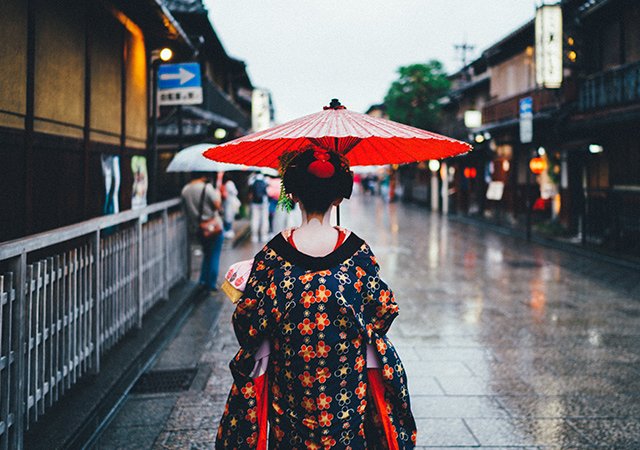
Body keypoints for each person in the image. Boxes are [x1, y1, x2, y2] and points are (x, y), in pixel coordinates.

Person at [215, 146, 417, 450]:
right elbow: (384, 311)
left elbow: (246, 324)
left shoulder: (273, 255)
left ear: (292, 194)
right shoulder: (357, 252)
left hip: (291, 391)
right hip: (346, 390)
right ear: (338, 198)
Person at [181, 173, 223, 292]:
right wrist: (218, 194)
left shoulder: (185, 190)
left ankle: (203, 280)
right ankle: (211, 284)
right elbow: (217, 206)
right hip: (212, 227)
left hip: (198, 228)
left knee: (206, 253)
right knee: (214, 255)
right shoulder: (207, 188)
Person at [248, 172, 269, 242]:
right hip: (264, 202)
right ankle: (264, 235)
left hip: (254, 203)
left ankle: (255, 236)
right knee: (264, 219)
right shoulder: (266, 179)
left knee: (255, 219)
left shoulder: (252, 180)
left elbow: (250, 193)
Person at [222, 175, 240, 239]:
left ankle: (227, 230)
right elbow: (235, 192)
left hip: (228, 202)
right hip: (230, 202)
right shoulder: (230, 183)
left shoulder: (226, 184)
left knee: (227, 215)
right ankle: (228, 230)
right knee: (229, 215)